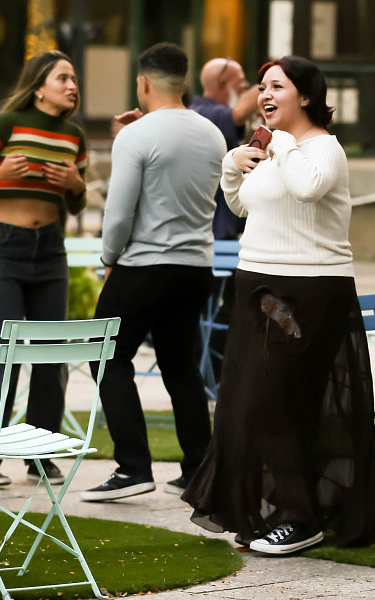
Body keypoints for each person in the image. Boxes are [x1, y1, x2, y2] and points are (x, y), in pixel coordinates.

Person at [182, 56, 375, 555]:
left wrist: (280, 143)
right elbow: (241, 206)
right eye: (261, 87)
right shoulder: (273, 148)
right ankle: (281, 510)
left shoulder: (325, 150)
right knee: (253, 403)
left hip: (309, 289)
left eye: (276, 86)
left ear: (305, 95)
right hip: (256, 285)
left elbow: (306, 188)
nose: (264, 95)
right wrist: (230, 167)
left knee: (280, 403)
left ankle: (301, 517)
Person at [80, 42, 226, 502]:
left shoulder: (136, 136)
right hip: (196, 266)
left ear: (142, 83)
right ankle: (199, 467)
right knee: (181, 366)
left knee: (106, 357)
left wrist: (108, 257)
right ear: (184, 81)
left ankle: (133, 467)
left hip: (143, 265)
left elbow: (118, 213)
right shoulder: (212, 134)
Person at [0, 50, 87, 487]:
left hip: (50, 252)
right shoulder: (7, 125)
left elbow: (77, 202)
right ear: (39, 84)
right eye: (63, 77)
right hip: (0, 251)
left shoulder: (74, 135)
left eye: (73, 79)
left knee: (51, 359)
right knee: (2, 357)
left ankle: (40, 456)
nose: (72, 85)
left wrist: (77, 186)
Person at [190, 57, 259, 240]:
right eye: (241, 80)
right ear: (223, 83)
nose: (245, 86)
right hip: (214, 228)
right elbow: (239, 114)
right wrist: (272, 84)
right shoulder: (208, 113)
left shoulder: (195, 110)